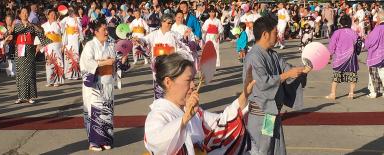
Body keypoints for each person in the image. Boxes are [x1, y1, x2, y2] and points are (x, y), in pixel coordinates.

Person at [144, 53, 255, 154]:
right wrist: (185, 118)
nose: (193, 85)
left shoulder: (194, 112)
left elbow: (220, 124)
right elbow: (157, 143)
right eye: (188, 80)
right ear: (168, 82)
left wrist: (244, 94)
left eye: (193, 79)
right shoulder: (157, 115)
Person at [243, 16, 310, 155]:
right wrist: (287, 75)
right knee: (263, 150)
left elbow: (287, 69)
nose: (278, 35)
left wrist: (302, 71)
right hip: (262, 115)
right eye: (275, 32)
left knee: (275, 149)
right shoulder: (253, 56)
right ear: (265, 34)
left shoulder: (273, 55)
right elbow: (262, 82)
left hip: (272, 114)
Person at [80, 19, 130, 151]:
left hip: (107, 83)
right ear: (96, 32)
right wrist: (104, 62)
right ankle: (94, 142)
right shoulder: (90, 45)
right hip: (95, 83)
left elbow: (118, 62)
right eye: (104, 30)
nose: (107, 32)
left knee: (106, 111)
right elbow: (86, 63)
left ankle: (105, 140)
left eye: (107, 29)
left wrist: (124, 56)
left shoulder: (111, 45)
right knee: (95, 111)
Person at [133, 13, 194, 100]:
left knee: (171, 89)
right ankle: (159, 107)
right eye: (168, 22)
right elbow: (145, 40)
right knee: (158, 89)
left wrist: (185, 37)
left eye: (171, 23)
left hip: (171, 65)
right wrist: (139, 40)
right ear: (162, 22)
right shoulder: (154, 34)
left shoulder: (175, 35)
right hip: (158, 65)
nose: (170, 25)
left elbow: (183, 44)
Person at [13, 7, 51, 104]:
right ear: (20, 15)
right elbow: (9, 35)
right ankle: (21, 96)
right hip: (20, 48)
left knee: (30, 72)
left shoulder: (32, 26)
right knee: (20, 72)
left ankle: (30, 96)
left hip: (30, 49)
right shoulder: (17, 25)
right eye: (23, 13)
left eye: (27, 13)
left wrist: (34, 27)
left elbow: (41, 34)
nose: (25, 14)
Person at [326, 15, 360, 100]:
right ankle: (351, 93)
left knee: (336, 76)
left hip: (340, 57)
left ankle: (333, 94)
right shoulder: (353, 32)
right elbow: (358, 44)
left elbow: (332, 45)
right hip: (351, 57)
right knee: (352, 75)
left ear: (340, 23)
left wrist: (329, 55)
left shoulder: (337, 32)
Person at [41, 9, 65, 87]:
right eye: (51, 14)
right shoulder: (44, 25)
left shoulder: (59, 24)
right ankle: (50, 80)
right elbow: (41, 37)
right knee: (49, 63)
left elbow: (64, 35)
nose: (53, 16)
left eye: (54, 14)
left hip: (57, 45)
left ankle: (58, 80)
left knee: (58, 62)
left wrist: (63, 45)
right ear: (47, 16)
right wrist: (41, 46)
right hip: (48, 46)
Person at [364, 11, 384, 98]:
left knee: (374, 73)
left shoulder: (378, 28)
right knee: (383, 73)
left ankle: (374, 92)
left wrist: (366, 40)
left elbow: (370, 42)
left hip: (376, 54)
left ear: (379, 19)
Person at [61, 7, 83, 80]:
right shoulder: (66, 19)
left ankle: (76, 74)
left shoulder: (77, 19)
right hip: (67, 39)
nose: (70, 12)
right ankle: (68, 74)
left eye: (72, 10)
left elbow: (80, 29)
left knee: (75, 55)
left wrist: (77, 22)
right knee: (68, 55)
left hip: (75, 38)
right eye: (69, 11)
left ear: (74, 11)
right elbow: (60, 25)